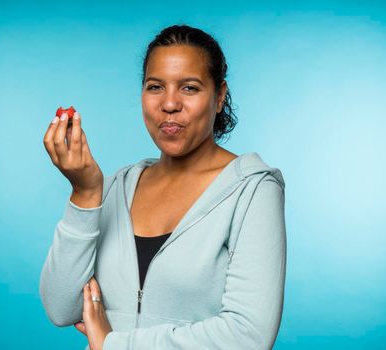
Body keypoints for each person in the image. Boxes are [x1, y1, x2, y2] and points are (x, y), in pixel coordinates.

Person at [41, 24, 286, 350]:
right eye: (155, 86)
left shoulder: (252, 190)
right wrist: (85, 194)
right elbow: (62, 309)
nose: (169, 104)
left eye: (189, 88)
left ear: (219, 96)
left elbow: (248, 335)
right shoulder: (116, 188)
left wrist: (115, 344)